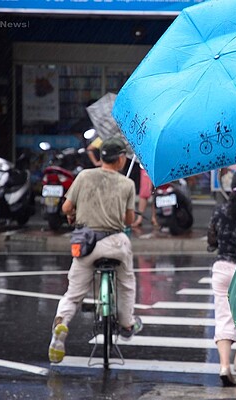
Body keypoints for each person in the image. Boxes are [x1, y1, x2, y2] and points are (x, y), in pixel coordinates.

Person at [48, 137, 143, 363]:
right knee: (127, 282)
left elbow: (66, 207)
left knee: (73, 294)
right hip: (116, 243)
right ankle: (127, 323)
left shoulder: (84, 176)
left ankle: (61, 325)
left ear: (101, 157)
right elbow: (129, 219)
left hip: (87, 244)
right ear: (120, 159)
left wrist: (75, 214)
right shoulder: (127, 184)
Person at [206, 167, 236, 387]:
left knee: (224, 318)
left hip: (222, 268)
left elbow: (212, 241)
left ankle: (224, 366)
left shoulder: (220, 210)